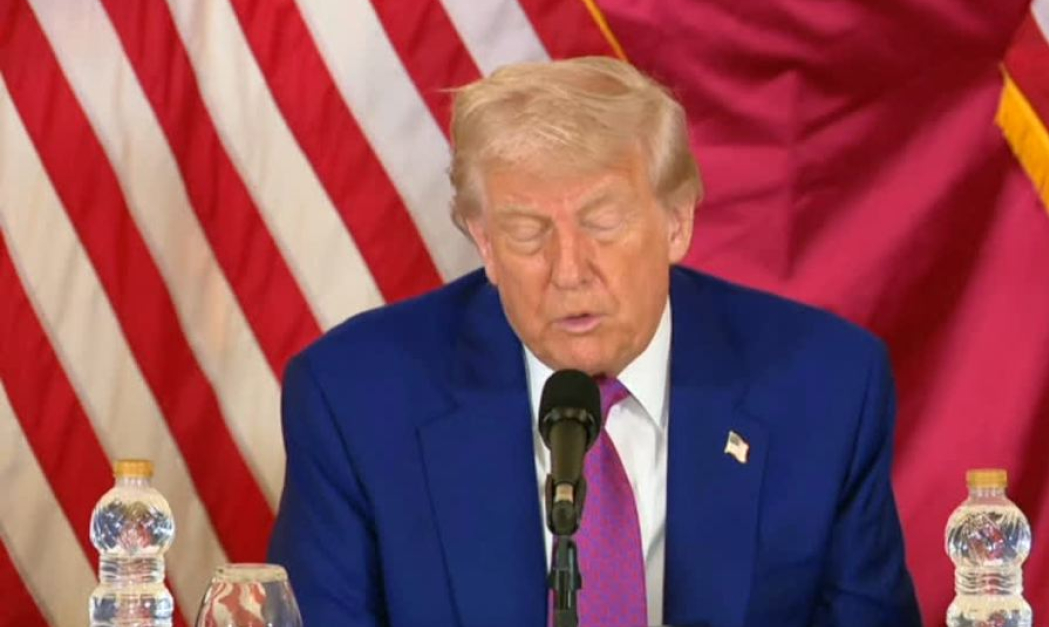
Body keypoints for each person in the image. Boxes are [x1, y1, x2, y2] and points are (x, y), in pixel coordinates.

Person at [267, 56, 921, 627]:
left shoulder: (823, 387)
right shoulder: (356, 400)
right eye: (527, 232)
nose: (570, 270)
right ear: (485, 242)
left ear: (677, 221)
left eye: (603, 223)